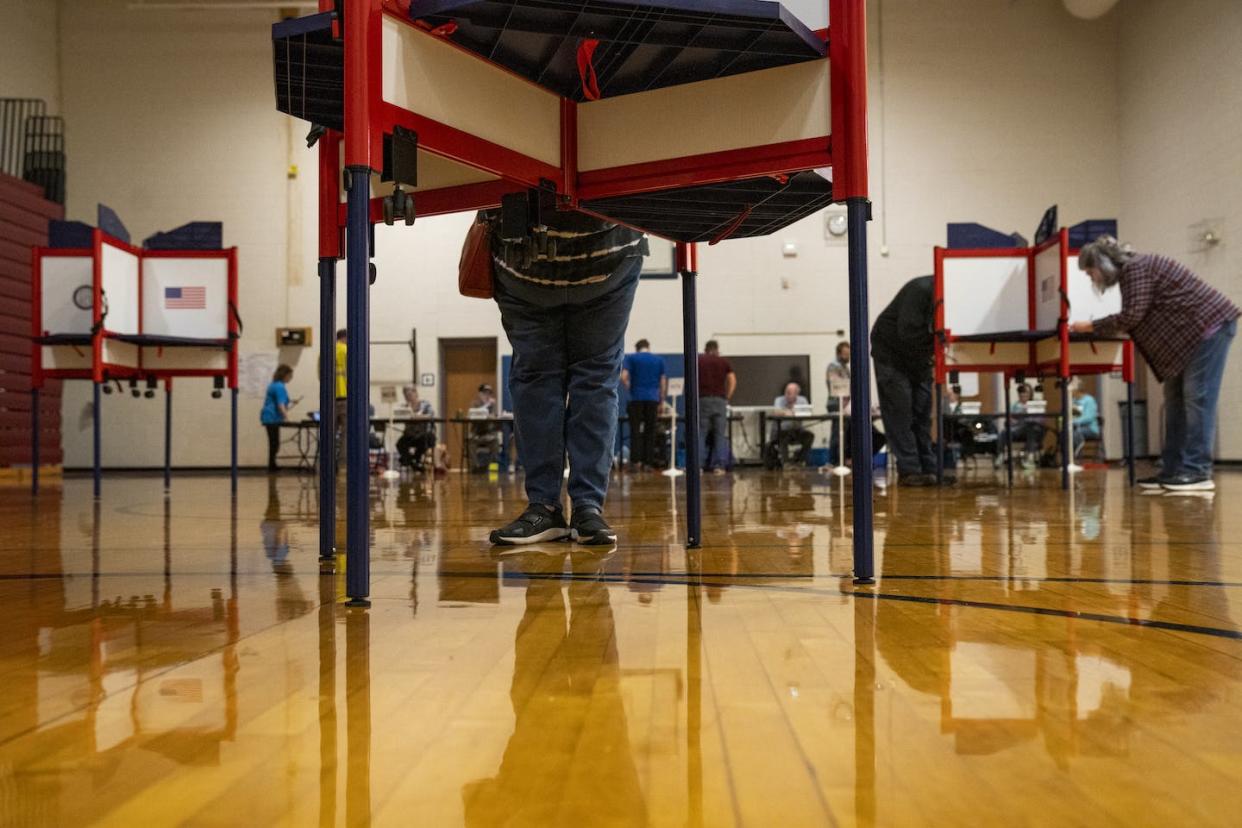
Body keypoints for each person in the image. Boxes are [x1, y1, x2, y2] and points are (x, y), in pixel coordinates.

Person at [482, 208, 647, 545]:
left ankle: (570, 506)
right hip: (538, 265)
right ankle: (565, 507)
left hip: (591, 264)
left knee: (561, 385)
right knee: (578, 385)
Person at [1073, 236, 1239, 491]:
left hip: (1208, 328)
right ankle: (1172, 469)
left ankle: (1197, 471)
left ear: (1103, 264)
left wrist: (1092, 326)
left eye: (1089, 271)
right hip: (1188, 338)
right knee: (1174, 401)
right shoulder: (1135, 271)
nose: (1090, 277)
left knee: (1197, 399)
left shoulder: (1137, 268)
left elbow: (1132, 315)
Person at [871, 275, 949, 486]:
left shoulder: (946, 295)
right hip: (891, 356)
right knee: (901, 413)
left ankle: (930, 467)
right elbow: (908, 333)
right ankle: (910, 470)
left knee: (922, 414)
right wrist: (936, 349)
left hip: (918, 358)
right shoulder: (921, 290)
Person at [620, 338, 666, 470]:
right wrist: (661, 400)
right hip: (652, 399)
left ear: (637, 348)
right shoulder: (659, 360)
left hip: (636, 398)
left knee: (635, 430)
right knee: (650, 431)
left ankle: (636, 462)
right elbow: (662, 382)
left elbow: (623, 376)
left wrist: (630, 387)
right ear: (648, 347)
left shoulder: (631, 358)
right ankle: (648, 463)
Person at [698, 339, 736, 474]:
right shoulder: (723, 362)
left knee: (701, 433)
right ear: (717, 349)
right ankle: (719, 465)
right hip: (720, 400)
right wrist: (727, 396)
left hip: (703, 400)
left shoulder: (699, 361)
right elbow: (732, 379)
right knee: (720, 434)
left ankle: (699, 466)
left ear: (705, 349)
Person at [260, 364, 296, 472]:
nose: (291, 378)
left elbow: (281, 400)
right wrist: (287, 418)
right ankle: (272, 466)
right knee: (274, 443)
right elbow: (280, 405)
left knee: (274, 442)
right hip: (272, 418)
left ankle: (272, 465)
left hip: (268, 417)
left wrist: (292, 401)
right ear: (285, 375)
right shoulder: (280, 387)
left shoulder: (274, 385)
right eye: (290, 375)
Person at [770, 382, 815, 466]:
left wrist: (792, 412)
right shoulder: (779, 400)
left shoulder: (802, 400)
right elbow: (776, 412)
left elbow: (807, 412)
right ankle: (786, 463)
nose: (787, 395)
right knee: (782, 437)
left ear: (796, 394)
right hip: (783, 430)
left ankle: (799, 460)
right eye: (786, 392)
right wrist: (788, 412)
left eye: (790, 393)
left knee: (809, 436)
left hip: (797, 430)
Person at [1004, 384, 1045, 468]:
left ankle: (1030, 458)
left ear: (1030, 394)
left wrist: (1027, 416)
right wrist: (1013, 420)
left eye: (1025, 392)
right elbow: (1010, 421)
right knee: (1003, 433)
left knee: (1031, 429)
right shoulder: (1015, 406)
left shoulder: (1036, 404)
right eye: (1021, 392)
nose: (1022, 394)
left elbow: (1041, 420)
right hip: (1018, 430)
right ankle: (1000, 456)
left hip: (1034, 430)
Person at [396, 385, 436, 470]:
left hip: (423, 433)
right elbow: (400, 416)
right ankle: (413, 463)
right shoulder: (404, 407)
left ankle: (413, 460)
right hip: (410, 434)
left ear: (416, 393)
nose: (408, 397)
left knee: (428, 439)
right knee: (400, 444)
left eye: (410, 395)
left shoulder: (425, 404)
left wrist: (416, 416)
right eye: (406, 396)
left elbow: (431, 415)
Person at [468, 383, 502, 471]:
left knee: (495, 441)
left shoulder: (493, 405)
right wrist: (486, 406)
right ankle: (475, 467)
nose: (487, 396)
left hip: (489, 433)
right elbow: (474, 415)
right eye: (485, 393)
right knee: (471, 442)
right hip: (476, 433)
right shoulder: (475, 404)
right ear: (480, 394)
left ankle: (492, 467)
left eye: (489, 393)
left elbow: (494, 417)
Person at [1071, 384, 1100, 457]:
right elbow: (1073, 415)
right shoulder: (1073, 401)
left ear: (1077, 391)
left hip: (1090, 429)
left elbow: (1089, 417)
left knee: (1074, 434)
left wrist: (1074, 422)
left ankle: (1076, 455)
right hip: (1075, 427)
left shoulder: (1089, 400)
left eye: (1072, 391)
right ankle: (1068, 457)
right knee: (1064, 433)